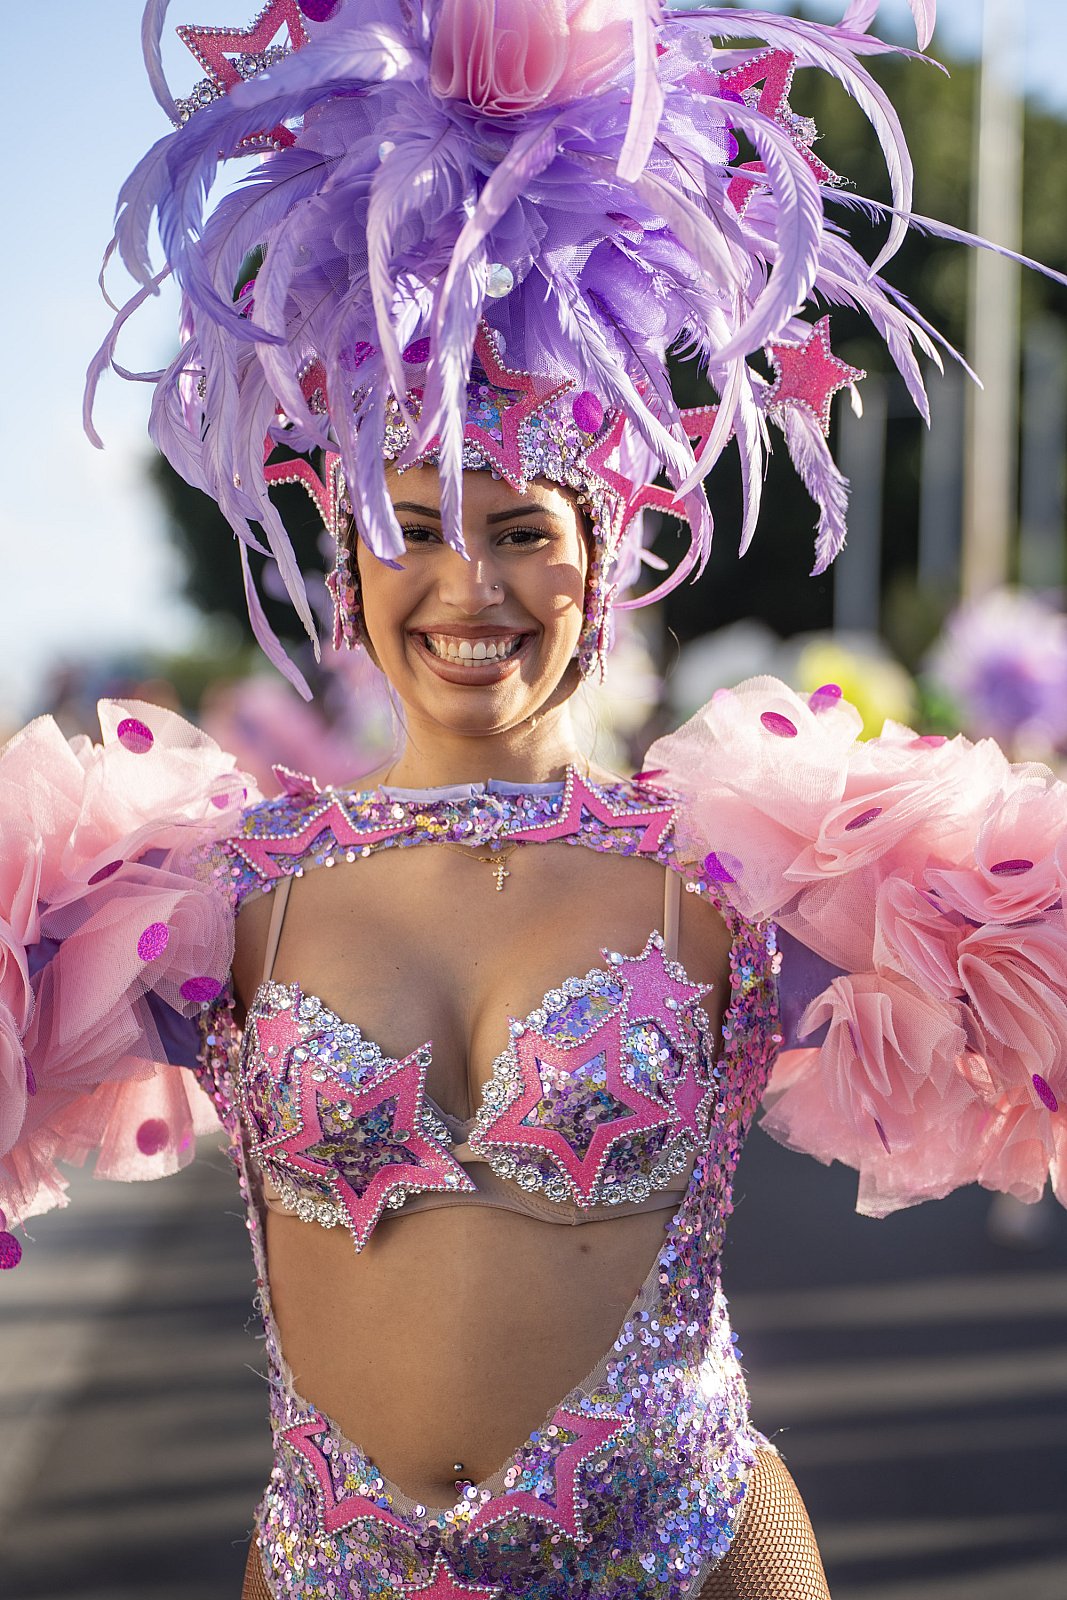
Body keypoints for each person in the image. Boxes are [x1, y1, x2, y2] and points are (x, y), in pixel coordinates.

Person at [3, 3, 1066, 1597]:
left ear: (603, 561)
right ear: (348, 566)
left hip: (688, 1556)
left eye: (521, 532)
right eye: (415, 528)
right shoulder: (221, 889)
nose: (469, 588)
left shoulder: (740, 868)